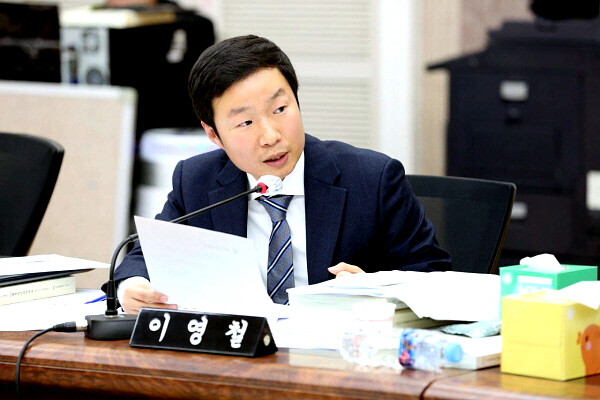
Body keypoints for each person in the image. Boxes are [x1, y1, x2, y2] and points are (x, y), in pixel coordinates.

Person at [114, 34, 451, 313]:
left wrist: (375, 290)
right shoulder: (196, 181)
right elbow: (145, 258)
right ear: (213, 134)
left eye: (280, 109)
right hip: (237, 356)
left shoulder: (372, 179)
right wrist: (133, 287)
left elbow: (434, 276)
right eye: (245, 122)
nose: (271, 135)